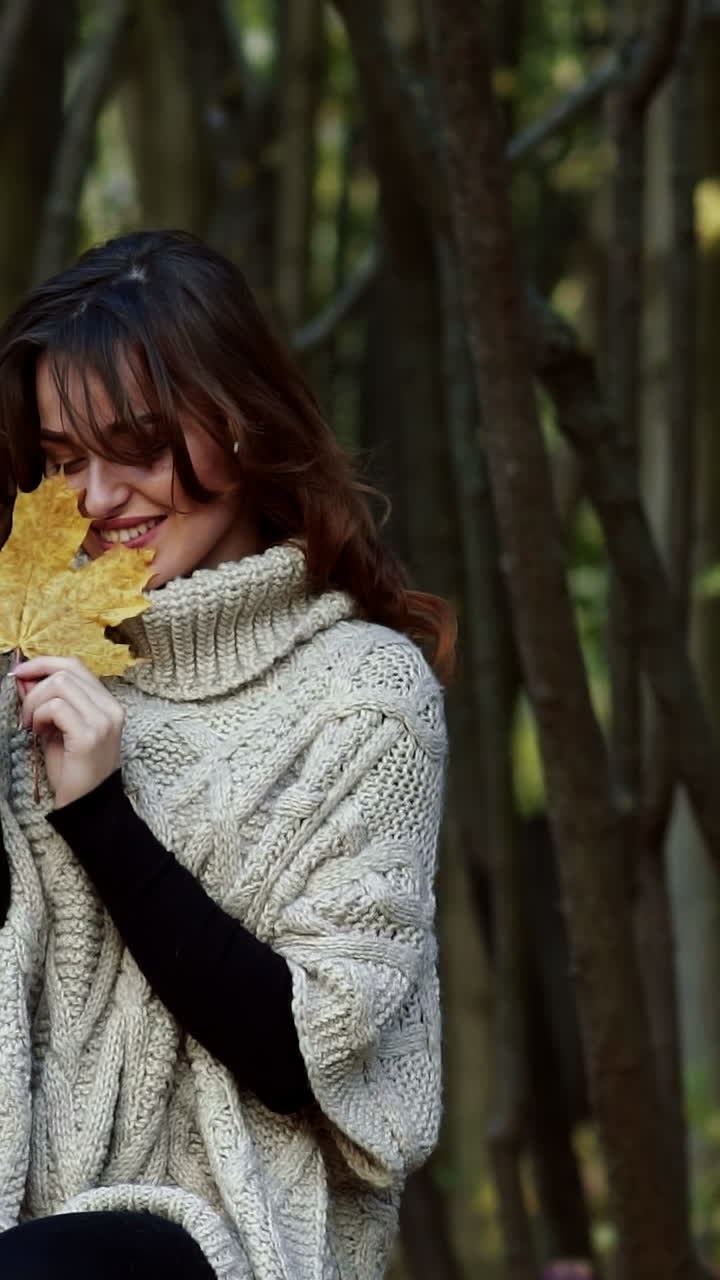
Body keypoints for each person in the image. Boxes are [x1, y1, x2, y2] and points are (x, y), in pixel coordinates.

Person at [0, 230, 452, 1279]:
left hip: (228, 1227)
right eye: (66, 460)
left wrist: (101, 815)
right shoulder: (31, 667)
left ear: (241, 426)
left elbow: (300, 1057)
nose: (99, 496)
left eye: (138, 445)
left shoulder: (363, 697)